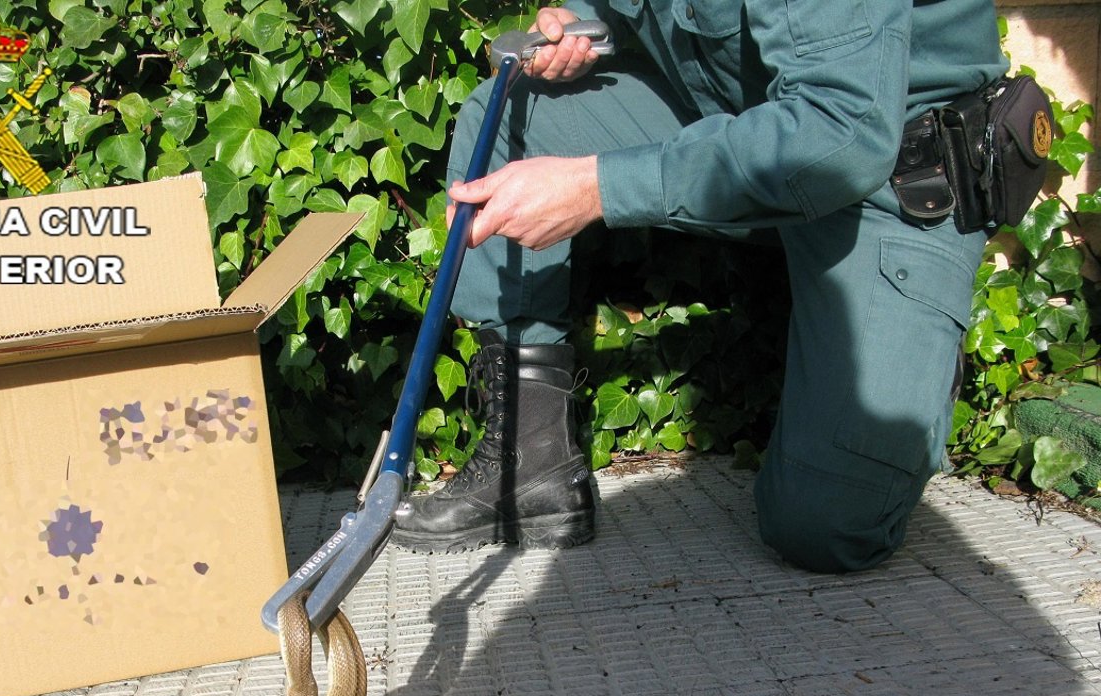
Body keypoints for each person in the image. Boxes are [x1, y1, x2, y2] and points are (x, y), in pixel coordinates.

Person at [391, 1, 1008, 573]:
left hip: (888, 172)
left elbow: (840, 132)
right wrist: (579, 23)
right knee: (508, 118)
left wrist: (597, 187)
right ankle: (527, 464)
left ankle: (915, 353)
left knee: (823, 527)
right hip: (742, 123)